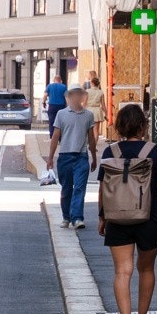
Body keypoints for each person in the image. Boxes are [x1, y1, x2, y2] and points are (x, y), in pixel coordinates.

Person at [98, 103, 157, 314]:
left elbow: (103, 188)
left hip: (117, 218)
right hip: (148, 218)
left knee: (122, 271)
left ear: (120, 126)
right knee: (146, 269)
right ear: (143, 126)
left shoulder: (110, 152)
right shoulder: (153, 151)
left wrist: (102, 216)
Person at [47, 86, 98, 230]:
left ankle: (77, 218)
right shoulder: (61, 114)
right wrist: (50, 158)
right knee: (67, 189)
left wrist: (94, 157)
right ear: (69, 97)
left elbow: (91, 138)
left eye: (78, 94)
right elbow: (55, 136)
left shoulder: (88, 115)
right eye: (73, 95)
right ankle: (66, 217)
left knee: (80, 188)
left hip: (81, 157)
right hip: (65, 156)